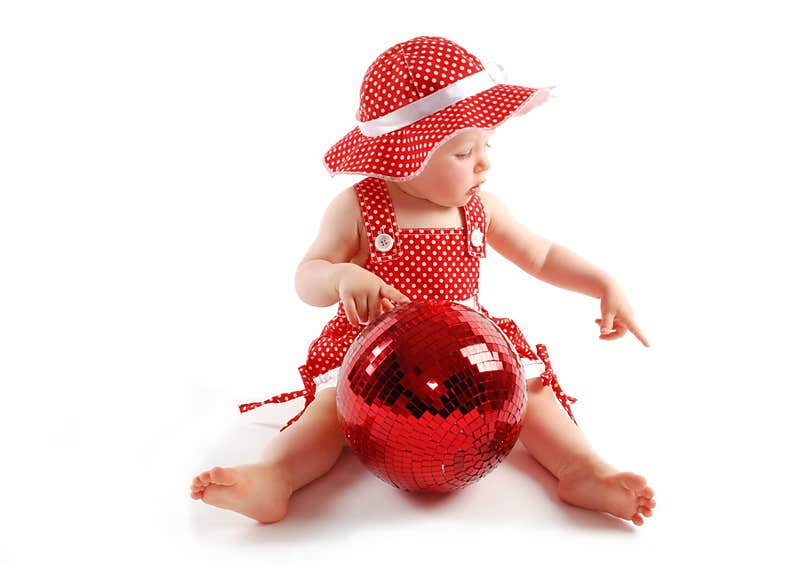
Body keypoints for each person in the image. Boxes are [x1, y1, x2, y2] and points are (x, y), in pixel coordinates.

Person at [191, 36, 656, 526]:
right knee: (329, 414)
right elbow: (308, 277)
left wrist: (602, 282)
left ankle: (582, 469)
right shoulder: (360, 208)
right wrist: (342, 276)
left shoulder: (480, 207)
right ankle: (275, 477)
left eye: (486, 145)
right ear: (403, 154)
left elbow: (541, 255)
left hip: (473, 359)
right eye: (463, 152)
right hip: (377, 362)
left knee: (532, 399)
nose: (484, 163)